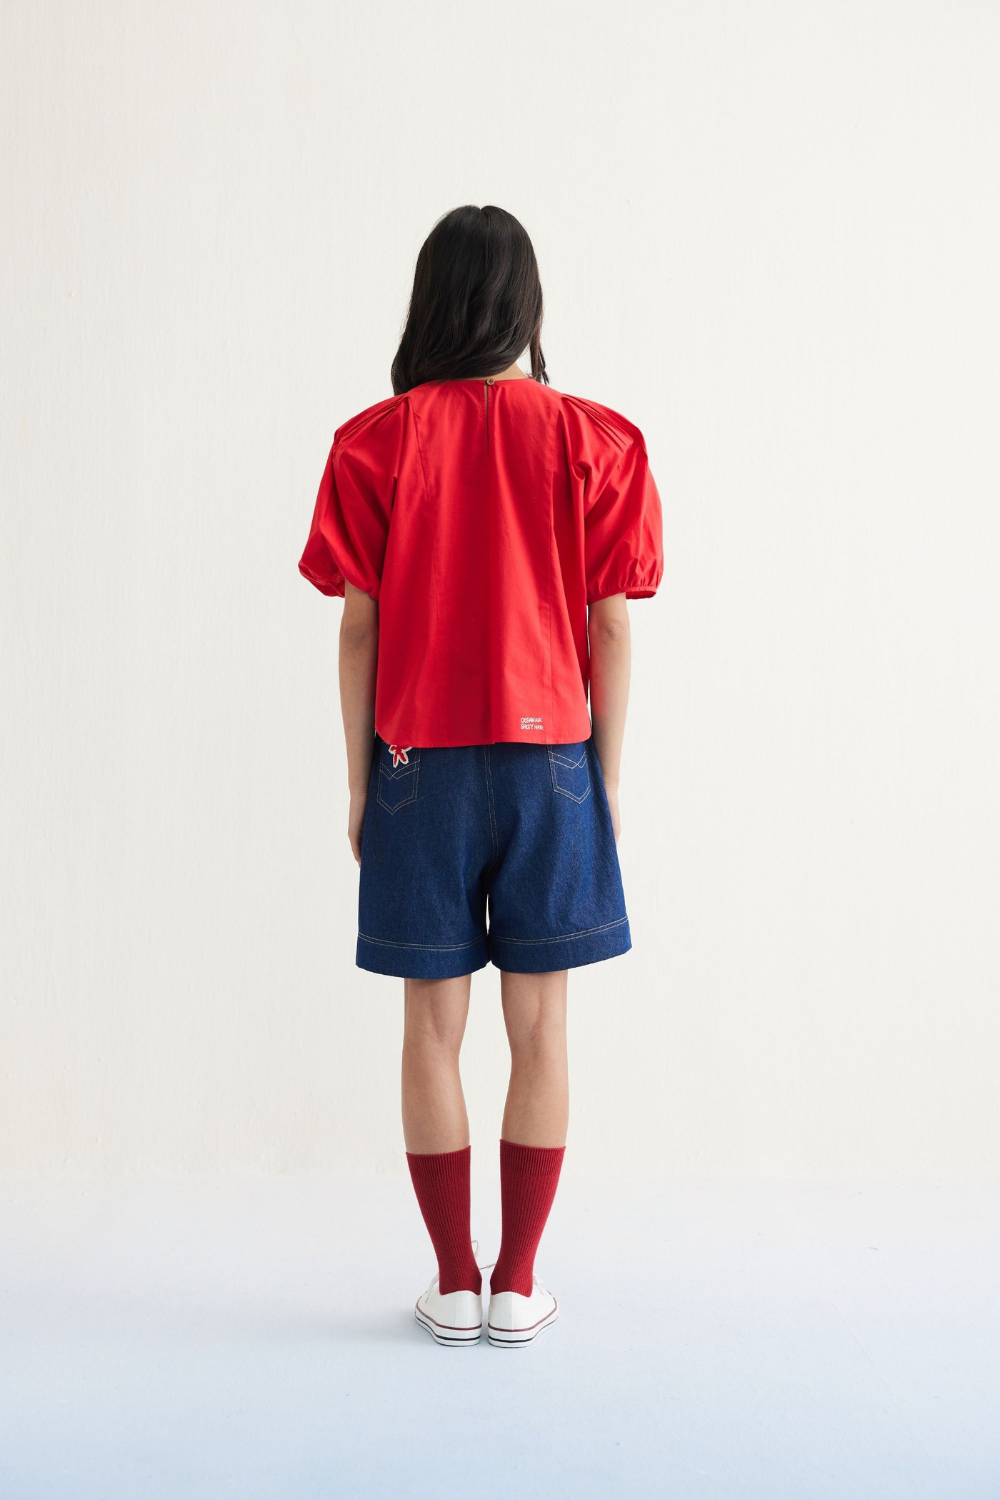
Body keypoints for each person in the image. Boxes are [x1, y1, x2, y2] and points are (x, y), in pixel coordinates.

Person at [298, 204, 663, 1348]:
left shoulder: (374, 442)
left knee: (431, 1026)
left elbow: (357, 629)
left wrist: (360, 781)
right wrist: (603, 780)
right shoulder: (597, 440)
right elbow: (611, 627)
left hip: (419, 763)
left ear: (431, 303)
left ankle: (453, 1281)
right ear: (527, 305)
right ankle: (520, 1285)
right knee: (542, 1025)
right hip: (554, 760)